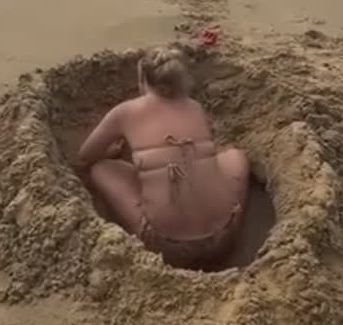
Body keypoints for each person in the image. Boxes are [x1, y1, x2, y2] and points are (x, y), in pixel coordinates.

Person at [77, 45, 250, 269]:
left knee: (101, 169)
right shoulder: (195, 108)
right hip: (225, 239)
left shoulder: (126, 112)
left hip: (165, 249)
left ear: (144, 81)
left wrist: (112, 153)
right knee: (234, 156)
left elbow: (85, 157)